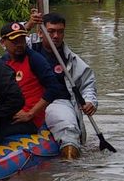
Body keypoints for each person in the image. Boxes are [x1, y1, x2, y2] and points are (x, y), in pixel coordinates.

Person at [26, 10, 99, 158]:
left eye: (60, 32)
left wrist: (90, 102)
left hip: (56, 102)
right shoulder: (26, 47)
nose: (56, 36)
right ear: (41, 33)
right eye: (51, 32)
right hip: (26, 100)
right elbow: (7, 40)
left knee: (68, 129)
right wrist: (28, 25)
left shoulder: (71, 59)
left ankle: (70, 171)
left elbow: (87, 84)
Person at [0, 21, 71, 142]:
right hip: (11, 115)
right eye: (15, 41)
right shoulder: (2, 62)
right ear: (3, 42)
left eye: (22, 40)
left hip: (29, 119)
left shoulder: (35, 59)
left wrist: (31, 113)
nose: (19, 44)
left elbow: (53, 88)